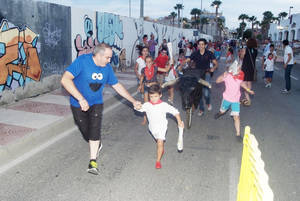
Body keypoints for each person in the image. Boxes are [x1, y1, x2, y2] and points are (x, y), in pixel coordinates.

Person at [61, 43, 141, 175]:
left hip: (96, 103)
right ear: (98, 55)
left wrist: (133, 101)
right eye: (107, 58)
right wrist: (80, 99)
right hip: (78, 104)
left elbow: (117, 86)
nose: (110, 61)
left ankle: (93, 161)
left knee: (94, 130)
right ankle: (96, 141)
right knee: (85, 130)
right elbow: (65, 80)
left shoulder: (107, 68)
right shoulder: (82, 61)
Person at [135, 84, 184, 169]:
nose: (153, 99)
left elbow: (175, 112)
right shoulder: (147, 105)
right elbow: (140, 108)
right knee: (158, 141)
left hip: (162, 127)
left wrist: (179, 121)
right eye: (151, 96)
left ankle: (158, 161)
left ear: (160, 95)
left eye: (155, 96)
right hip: (152, 128)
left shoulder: (164, 105)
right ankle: (160, 148)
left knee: (160, 142)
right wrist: (137, 106)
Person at [214, 61, 254, 141]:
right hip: (227, 99)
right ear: (234, 69)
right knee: (223, 111)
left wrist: (248, 90)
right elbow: (217, 81)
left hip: (236, 100)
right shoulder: (228, 76)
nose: (240, 71)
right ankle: (220, 113)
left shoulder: (239, 76)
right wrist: (223, 75)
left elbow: (242, 83)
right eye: (238, 69)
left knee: (236, 117)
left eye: (240, 69)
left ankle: (238, 134)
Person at [185, 38, 218, 116]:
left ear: (205, 45)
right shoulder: (195, 53)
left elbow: (216, 63)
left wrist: (213, 68)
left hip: (206, 74)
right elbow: (188, 60)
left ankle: (208, 103)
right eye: (199, 44)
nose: (200, 46)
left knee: (206, 93)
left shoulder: (209, 53)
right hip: (198, 74)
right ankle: (201, 109)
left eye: (202, 44)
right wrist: (181, 64)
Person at [138, 56, 171, 124]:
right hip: (146, 86)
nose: (148, 63)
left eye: (149, 62)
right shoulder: (143, 69)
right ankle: (145, 119)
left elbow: (166, 70)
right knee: (146, 104)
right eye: (146, 62)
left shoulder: (155, 68)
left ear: (152, 62)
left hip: (154, 87)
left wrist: (171, 63)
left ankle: (157, 117)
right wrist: (140, 85)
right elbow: (142, 77)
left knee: (155, 104)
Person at [240, 38, 258, 106]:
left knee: (244, 83)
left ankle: (248, 100)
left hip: (245, 68)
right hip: (251, 69)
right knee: (249, 83)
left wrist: (242, 53)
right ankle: (246, 98)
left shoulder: (245, 49)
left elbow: (241, 58)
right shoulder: (255, 51)